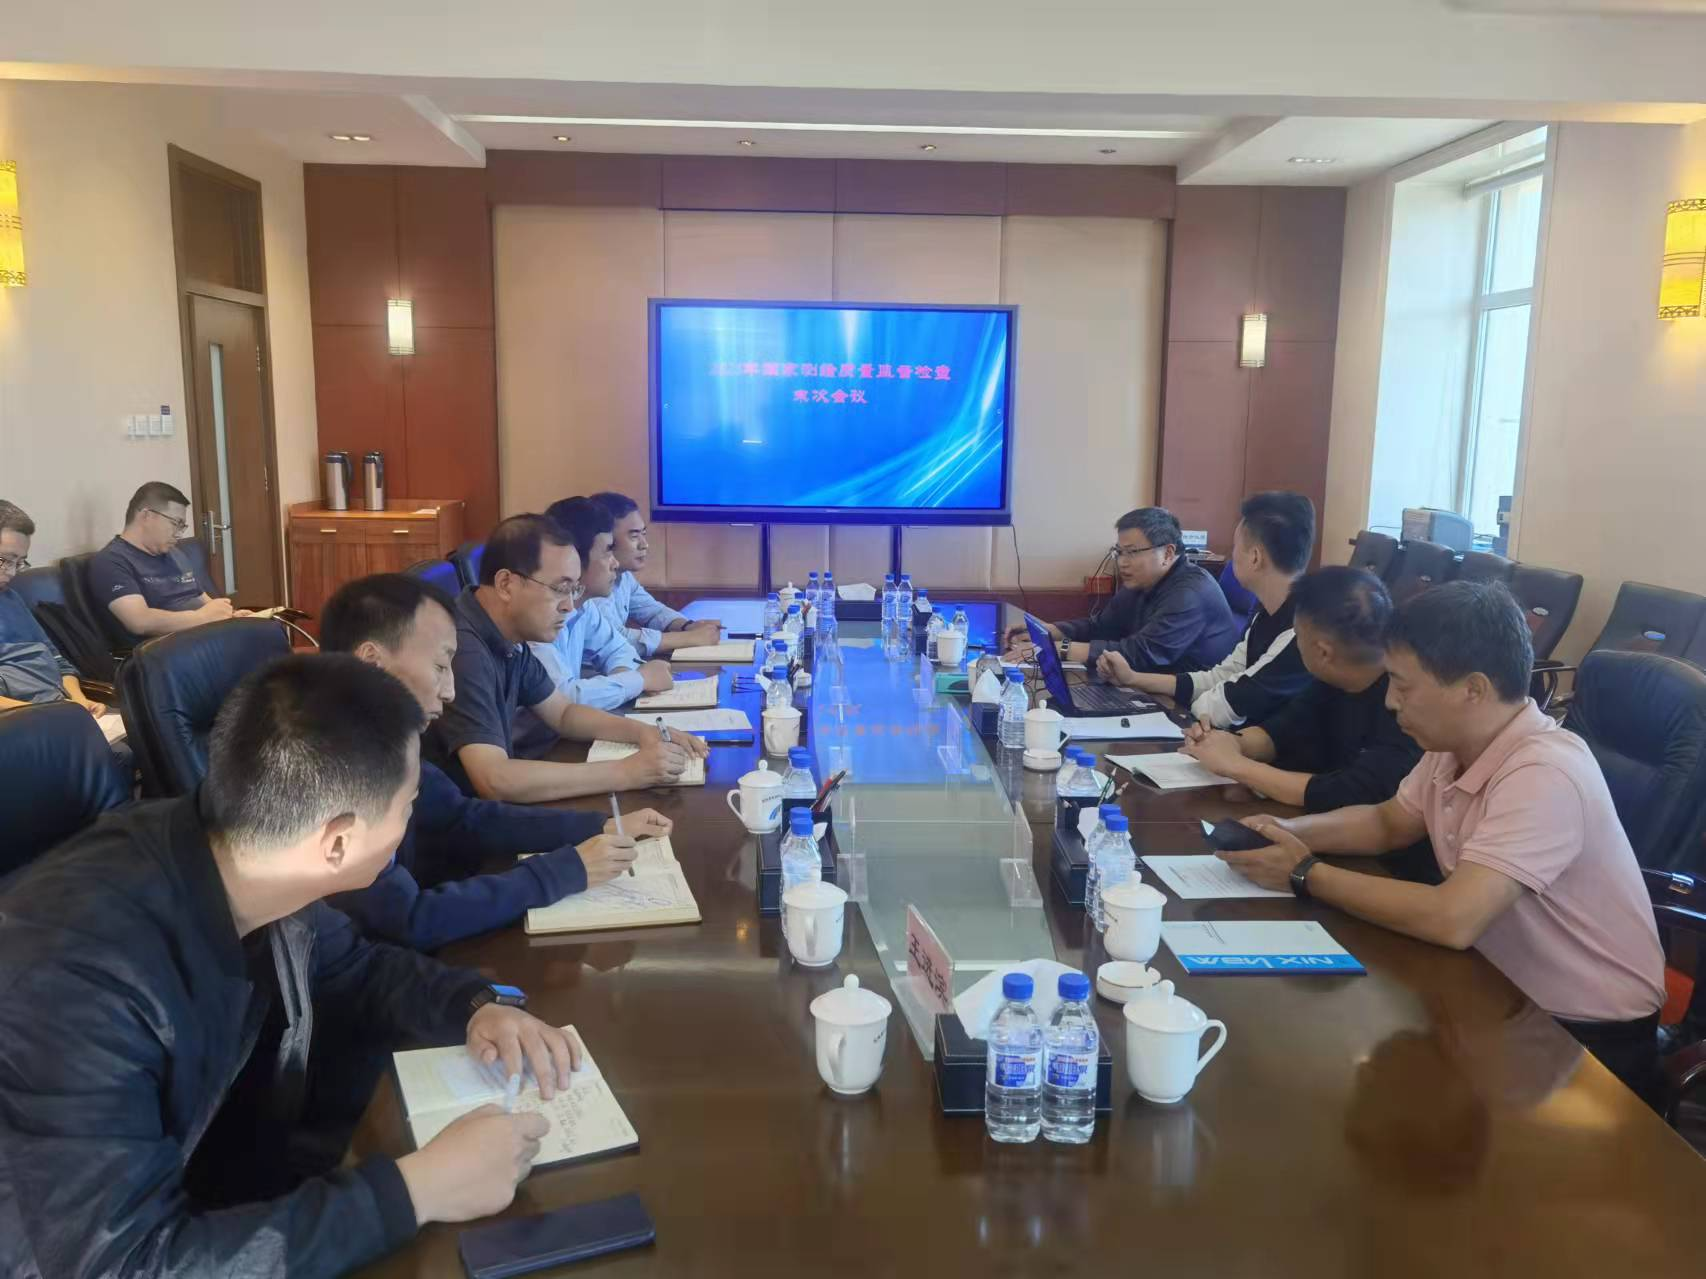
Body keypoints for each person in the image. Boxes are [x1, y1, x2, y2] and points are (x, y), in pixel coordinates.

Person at [0, 654, 584, 1277]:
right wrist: (418, 1190)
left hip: (238, 1180)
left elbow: (353, 968)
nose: (411, 819)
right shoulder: (77, 985)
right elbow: (123, 1264)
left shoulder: (244, 848)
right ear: (338, 842)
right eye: (408, 803)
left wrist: (474, 1006)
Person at [1218, 582, 1667, 1106]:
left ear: (1472, 690)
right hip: (1493, 988)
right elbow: (1388, 822)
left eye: (1403, 686)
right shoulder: (1452, 745)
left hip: (1583, 1037)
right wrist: (1285, 831)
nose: (1390, 701)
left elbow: (1453, 918)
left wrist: (1304, 873)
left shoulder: (1544, 772)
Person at [320, 572, 673, 950]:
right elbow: (408, 919)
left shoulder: (386, 743)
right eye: (440, 667)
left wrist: (599, 826)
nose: (450, 691)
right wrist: (565, 871)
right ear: (372, 662)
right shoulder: (331, 772)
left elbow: (463, 818)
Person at [426, 513, 708, 803]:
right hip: (457, 820)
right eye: (561, 589)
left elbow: (563, 713)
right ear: (506, 584)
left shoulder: (507, 632)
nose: (570, 606)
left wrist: (644, 733)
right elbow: (495, 780)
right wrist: (628, 772)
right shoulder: (461, 647)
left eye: (574, 590)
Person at [1179, 566, 1423, 814]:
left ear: (1323, 652)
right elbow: (1283, 730)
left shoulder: (1407, 707)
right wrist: (1228, 743)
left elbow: (1350, 793)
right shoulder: (1332, 679)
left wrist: (1236, 766)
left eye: (1297, 634)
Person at [1096, 491, 1314, 727]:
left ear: (1255, 557)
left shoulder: (1303, 630)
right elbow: (1221, 677)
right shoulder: (1265, 613)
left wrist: (1185, 712)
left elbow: (1226, 705)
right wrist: (1133, 679)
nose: (1232, 557)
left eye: (1235, 547)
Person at [1004, 506, 1239, 675]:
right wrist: (1048, 631)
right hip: (1147, 689)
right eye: (1119, 552)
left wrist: (1058, 649)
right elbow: (1102, 626)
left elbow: (1142, 653)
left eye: (1132, 552)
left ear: (1168, 553)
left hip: (1193, 708)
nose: (1122, 562)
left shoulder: (1191, 592)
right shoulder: (1140, 582)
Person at [526, 496, 671, 711]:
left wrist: (626, 683)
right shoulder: (537, 615)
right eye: (607, 551)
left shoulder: (584, 606)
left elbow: (619, 650)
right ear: (573, 557)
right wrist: (639, 680)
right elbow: (563, 699)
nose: (615, 563)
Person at [0, 499, 115, 731]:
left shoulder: (11, 598)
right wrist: (49, 714)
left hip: (55, 710)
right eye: (3, 560)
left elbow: (58, 661)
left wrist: (79, 701)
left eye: (19, 563)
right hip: (18, 725)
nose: (11, 573)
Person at [89, 480, 237, 641]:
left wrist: (230, 617)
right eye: (176, 523)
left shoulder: (175, 554)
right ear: (146, 515)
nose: (179, 534)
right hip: (166, 649)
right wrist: (202, 618)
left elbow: (203, 600)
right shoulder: (111, 562)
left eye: (182, 527)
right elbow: (140, 622)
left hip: (204, 637)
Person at [588, 491, 723, 657]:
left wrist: (688, 626)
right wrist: (689, 638)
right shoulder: (591, 583)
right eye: (634, 536)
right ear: (605, 540)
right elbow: (614, 641)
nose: (644, 544)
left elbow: (652, 611)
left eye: (644, 534)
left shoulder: (624, 576)